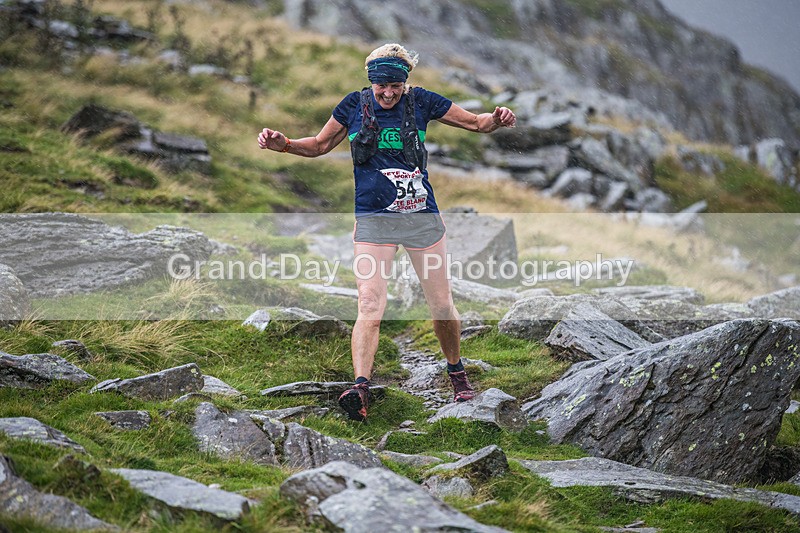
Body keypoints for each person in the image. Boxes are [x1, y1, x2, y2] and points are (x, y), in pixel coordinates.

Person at [258, 43, 516, 421]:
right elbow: (317, 146)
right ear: (371, 82)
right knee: (369, 305)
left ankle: (457, 372)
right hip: (374, 221)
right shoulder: (353, 106)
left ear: (405, 81)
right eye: (382, 87)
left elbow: (477, 123)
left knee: (441, 305)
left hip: (421, 219)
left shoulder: (423, 101)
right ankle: (359, 388)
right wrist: (284, 145)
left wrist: (498, 118)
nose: (389, 93)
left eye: (396, 85)